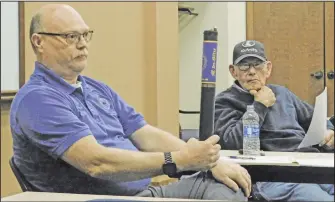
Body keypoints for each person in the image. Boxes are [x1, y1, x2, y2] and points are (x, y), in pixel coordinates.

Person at [9, 4, 252, 200]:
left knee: (227, 187)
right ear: (39, 42)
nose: (82, 43)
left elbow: (144, 134)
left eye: (85, 34)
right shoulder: (37, 99)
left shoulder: (96, 88)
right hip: (92, 198)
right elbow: (97, 162)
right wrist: (180, 160)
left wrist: (207, 161)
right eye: (71, 36)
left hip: (144, 193)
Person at [214, 40, 334, 201]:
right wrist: (260, 105)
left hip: (310, 163)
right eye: (244, 65)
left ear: (268, 68)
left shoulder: (282, 93)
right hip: (272, 175)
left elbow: (316, 121)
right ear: (233, 71)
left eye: (257, 65)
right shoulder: (225, 101)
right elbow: (231, 143)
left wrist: (328, 131)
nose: (251, 71)